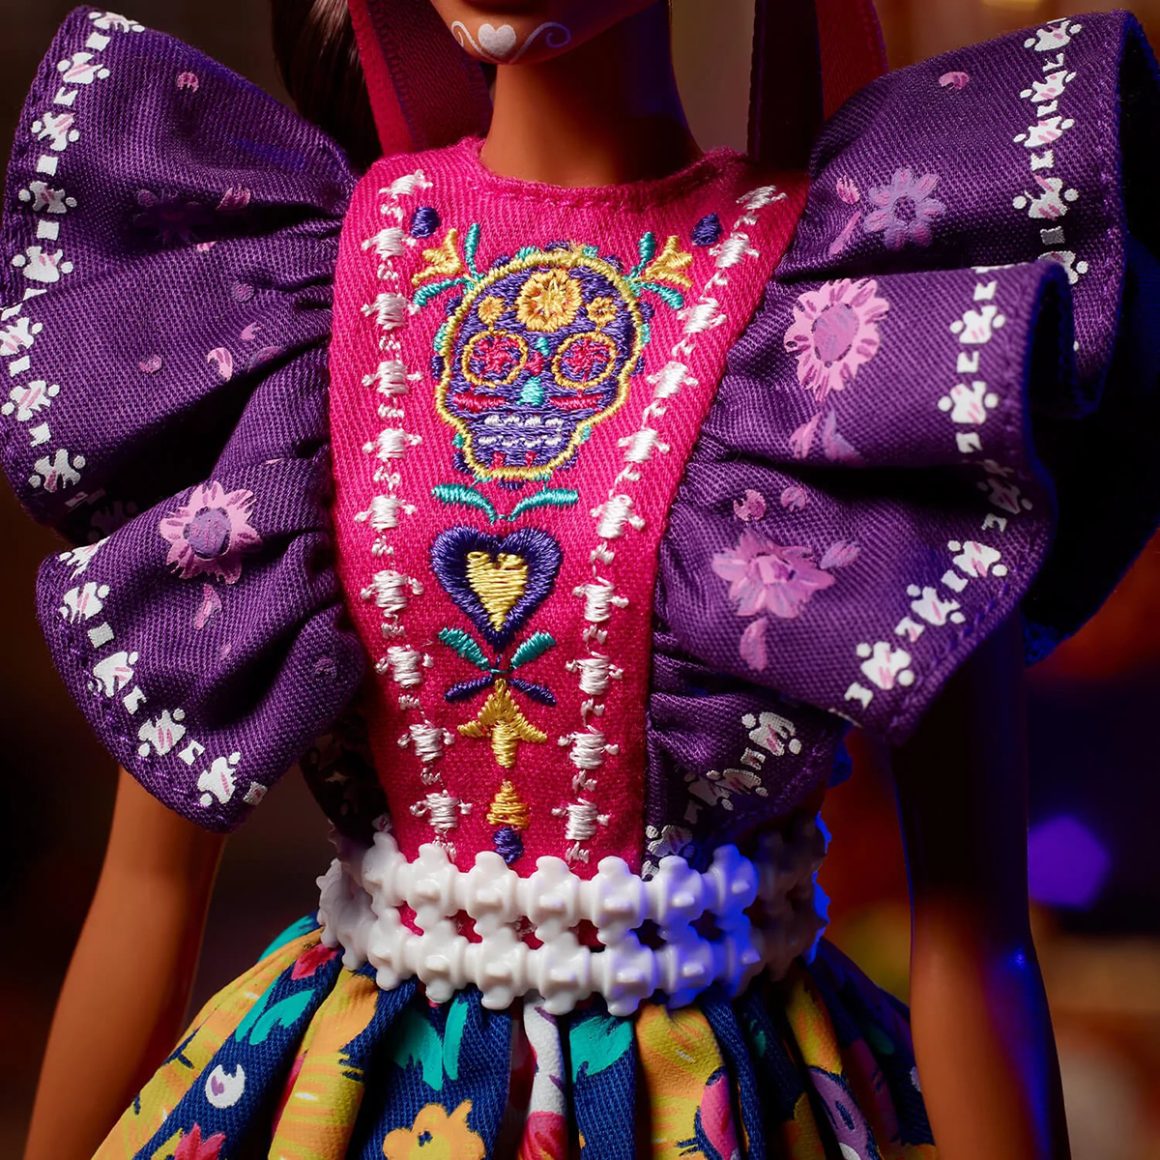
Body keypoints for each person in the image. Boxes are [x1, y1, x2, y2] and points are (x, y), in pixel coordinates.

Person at [4, 1, 1156, 1156]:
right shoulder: (287, 288)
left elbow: (973, 941)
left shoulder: (862, 304)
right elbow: (147, 890)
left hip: (727, 1095)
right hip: (356, 1092)